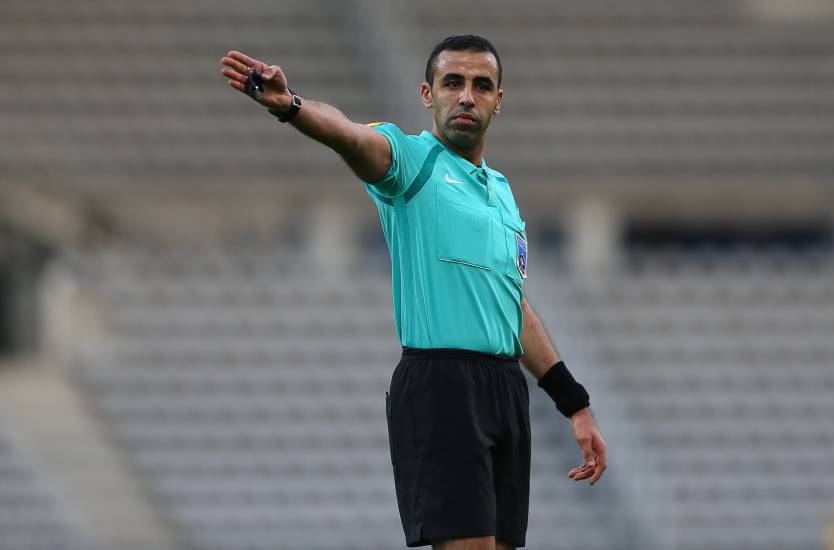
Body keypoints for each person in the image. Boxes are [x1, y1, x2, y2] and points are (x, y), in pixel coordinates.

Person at [219, 34, 606, 550]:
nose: (466, 95)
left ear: (498, 101)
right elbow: (351, 137)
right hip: (441, 383)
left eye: (481, 85)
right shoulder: (411, 161)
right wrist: (292, 106)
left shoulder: (504, 194)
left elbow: (511, 303)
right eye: (453, 82)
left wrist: (574, 404)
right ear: (429, 94)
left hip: (505, 389)